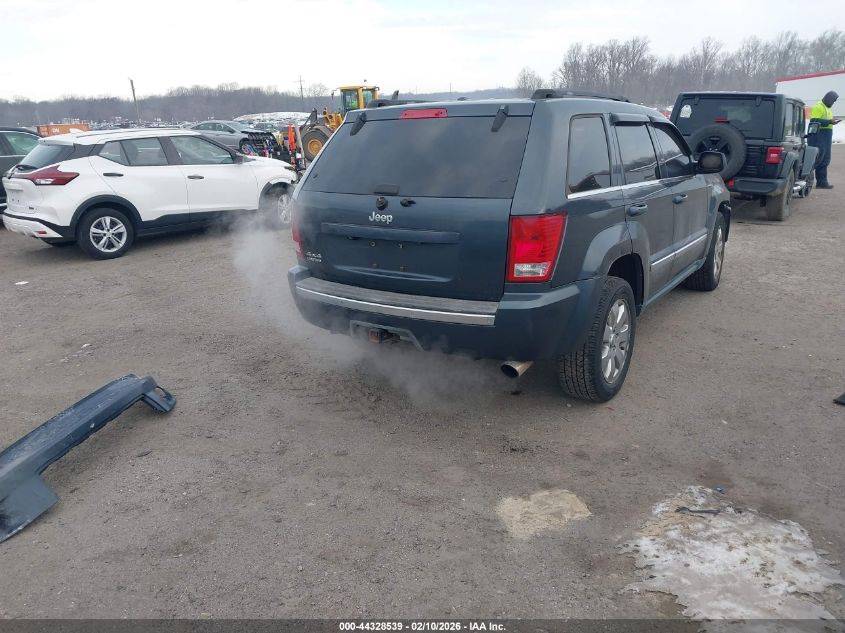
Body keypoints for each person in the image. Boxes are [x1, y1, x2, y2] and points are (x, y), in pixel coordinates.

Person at [807, 90, 840, 189]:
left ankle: (822, 182)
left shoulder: (827, 108)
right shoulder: (818, 106)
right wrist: (829, 121)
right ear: (828, 98)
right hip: (818, 136)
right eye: (833, 101)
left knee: (825, 159)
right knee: (817, 159)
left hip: (826, 136)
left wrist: (831, 121)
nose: (833, 103)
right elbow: (814, 120)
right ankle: (805, 179)